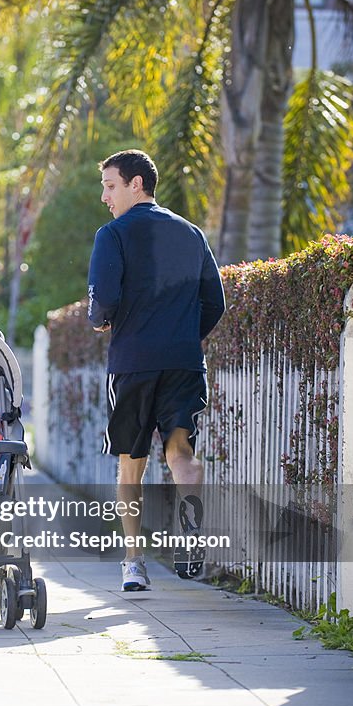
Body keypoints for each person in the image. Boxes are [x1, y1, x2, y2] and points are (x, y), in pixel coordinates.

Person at [87, 149, 225, 591]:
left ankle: (133, 563)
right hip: (184, 362)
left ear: (136, 184)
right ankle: (191, 540)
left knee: (131, 464)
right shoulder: (191, 233)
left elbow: (103, 298)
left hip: (132, 364)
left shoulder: (112, 235)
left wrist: (100, 318)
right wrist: (186, 334)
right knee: (181, 454)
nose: (105, 196)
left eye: (110, 185)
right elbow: (215, 302)